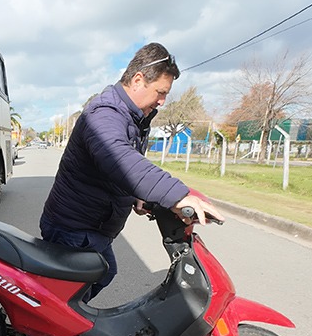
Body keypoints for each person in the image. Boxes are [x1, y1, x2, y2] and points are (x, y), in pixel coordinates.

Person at [40, 42, 224, 302]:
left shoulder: (132, 117)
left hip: (93, 227)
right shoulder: (104, 113)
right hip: (74, 228)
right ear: (138, 80)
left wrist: (136, 195)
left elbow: (115, 171)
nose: (162, 101)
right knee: (62, 301)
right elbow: (121, 160)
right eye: (160, 92)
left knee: (101, 275)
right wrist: (178, 196)